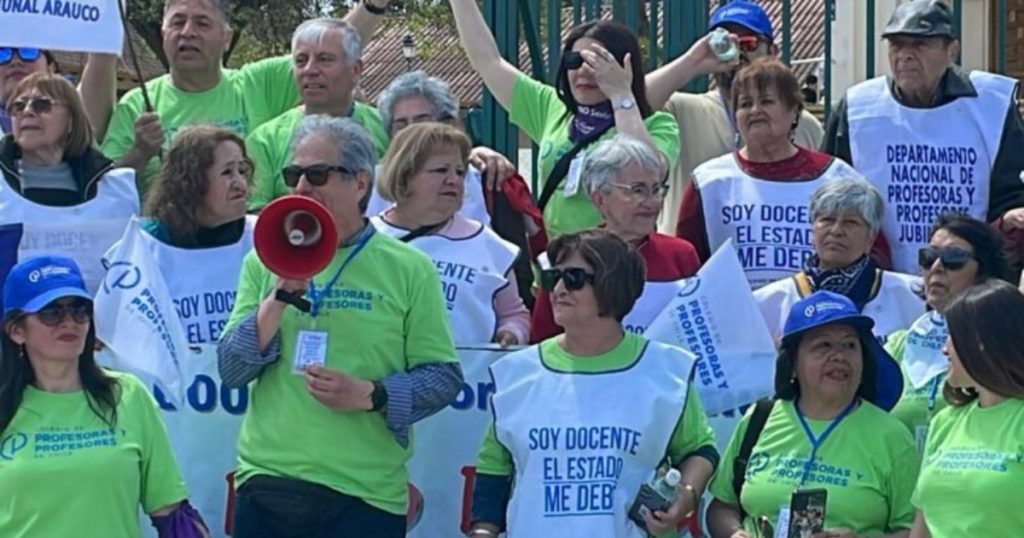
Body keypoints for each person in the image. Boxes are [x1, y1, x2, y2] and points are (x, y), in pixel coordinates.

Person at [217, 115, 462, 537]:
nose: (302, 188)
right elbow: (232, 371)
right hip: (269, 483)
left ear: (361, 183)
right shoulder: (264, 258)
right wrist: (278, 297)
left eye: (318, 174)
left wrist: (371, 394)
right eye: (294, 174)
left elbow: (442, 378)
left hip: (364, 495)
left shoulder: (409, 268)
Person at [469, 229, 718, 538]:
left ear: (612, 284)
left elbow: (700, 450)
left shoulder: (667, 370)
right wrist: (483, 531)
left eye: (573, 278)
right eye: (552, 278)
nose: (558, 289)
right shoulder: (515, 373)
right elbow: (494, 467)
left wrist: (686, 494)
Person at [0, 255, 207, 537]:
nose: (68, 322)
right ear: (16, 330)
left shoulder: (127, 395)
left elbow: (170, 511)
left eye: (79, 310)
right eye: (51, 312)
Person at [101, 0, 394, 190]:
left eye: (202, 23)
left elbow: (333, 47)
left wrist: (373, 6)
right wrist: (139, 152)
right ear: (163, 32)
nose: (188, 32)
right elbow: (103, 189)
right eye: (177, 22)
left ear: (226, 37)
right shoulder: (137, 104)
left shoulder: (256, 83)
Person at [448, 0, 680, 240]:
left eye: (596, 63)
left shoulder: (658, 124)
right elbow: (488, 61)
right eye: (574, 61)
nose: (583, 71)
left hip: (619, 260)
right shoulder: (551, 108)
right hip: (558, 264)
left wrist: (621, 95)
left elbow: (645, 171)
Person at [822, 0, 1024, 273]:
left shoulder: (992, 106)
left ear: (952, 50)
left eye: (919, 44)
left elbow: (1011, 196)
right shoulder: (858, 108)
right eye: (896, 45)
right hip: (877, 282)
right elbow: (830, 195)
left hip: (972, 282)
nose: (904, 55)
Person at [126, 125, 256, 532]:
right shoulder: (143, 247)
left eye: (243, 170)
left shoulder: (265, 240)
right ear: (191, 179)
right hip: (174, 433)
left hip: (249, 431)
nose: (240, 182)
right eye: (226, 172)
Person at [706, 291, 918, 538]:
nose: (839, 356)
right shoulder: (759, 418)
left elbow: (916, 530)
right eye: (823, 345)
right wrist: (734, 534)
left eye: (850, 345)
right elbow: (722, 506)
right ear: (793, 363)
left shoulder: (892, 436)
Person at [676, 59, 860, 289]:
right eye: (744, 104)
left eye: (766, 101)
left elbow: (869, 253)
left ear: (794, 111)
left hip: (819, 319)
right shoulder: (709, 182)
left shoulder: (837, 177)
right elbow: (685, 266)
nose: (754, 111)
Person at [645, 0, 824, 235]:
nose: (738, 53)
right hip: (694, 260)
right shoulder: (683, 109)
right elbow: (633, 102)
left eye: (748, 43)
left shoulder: (804, 124)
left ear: (773, 52)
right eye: (724, 43)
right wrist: (693, 61)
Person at [371, 122, 528, 346]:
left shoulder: (490, 245)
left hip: (465, 377)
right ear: (404, 176)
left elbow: (514, 315)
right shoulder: (366, 239)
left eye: (459, 171)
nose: (453, 179)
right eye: (440, 170)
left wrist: (511, 334)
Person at [531, 135, 699, 341]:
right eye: (638, 190)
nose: (652, 202)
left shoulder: (680, 255)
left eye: (656, 190)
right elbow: (542, 340)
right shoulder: (566, 257)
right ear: (600, 199)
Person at [0, 73, 139, 293]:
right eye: (18, 106)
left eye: (42, 104)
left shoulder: (118, 190)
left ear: (72, 119)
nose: (27, 111)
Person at [886, 213, 1013, 450]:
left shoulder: (1003, 346)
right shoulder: (898, 345)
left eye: (954, 258)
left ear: (984, 270)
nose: (936, 267)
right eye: (929, 256)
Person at [909, 279, 1024, 538]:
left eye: (953, 336)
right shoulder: (944, 422)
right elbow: (922, 528)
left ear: (981, 342)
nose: (944, 348)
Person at [246, 18, 389, 210]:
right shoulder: (265, 141)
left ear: (355, 70)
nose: (310, 70)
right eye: (301, 61)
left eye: (324, 59)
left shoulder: (387, 128)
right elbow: (253, 218)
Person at [756, 179, 924, 341]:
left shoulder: (912, 294)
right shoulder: (769, 302)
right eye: (827, 220)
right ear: (812, 230)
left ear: (870, 238)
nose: (836, 231)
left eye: (850, 222)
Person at [366, 69, 512, 225]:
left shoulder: (483, 179)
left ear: (447, 124)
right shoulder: (371, 185)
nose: (412, 132)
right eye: (401, 125)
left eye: (422, 121)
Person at [0, 48, 117, 141]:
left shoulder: (72, 115)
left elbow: (102, 58)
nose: (15, 61)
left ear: (51, 68)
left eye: (29, 51)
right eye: (2, 54)